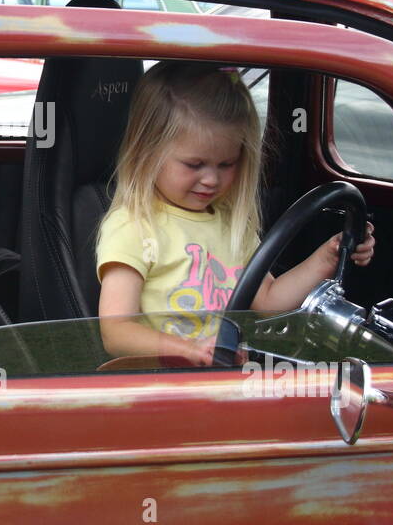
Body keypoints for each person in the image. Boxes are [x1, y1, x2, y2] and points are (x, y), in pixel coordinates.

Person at [96, 62, 375, 366]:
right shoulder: (134, 226)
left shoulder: (231, 225)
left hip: (221, 377)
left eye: (226, 164)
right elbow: (116, 332)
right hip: (165, 388)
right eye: (194, 164)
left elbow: (268, 301)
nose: (211, 180)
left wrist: (327, 258)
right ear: (147, 152)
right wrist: (188, 349)